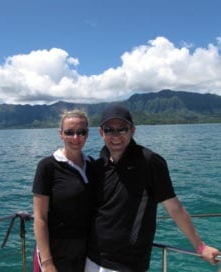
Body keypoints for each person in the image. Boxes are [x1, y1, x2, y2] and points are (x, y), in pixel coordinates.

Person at [85, 103, 220, 272]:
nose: (116, 135)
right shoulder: (99, 166)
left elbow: (174, 207)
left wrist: (200, 247)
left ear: (132, 130)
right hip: (91, 257)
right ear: (101, 133)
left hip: (126, 263)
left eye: (122, 129)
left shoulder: (149, 161)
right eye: (109, 129)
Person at [32, 109, 96, 272]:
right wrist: (47, 263)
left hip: (86, 251)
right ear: (61, 134)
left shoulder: (93, 165)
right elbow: (40, 218)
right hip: (56, 251)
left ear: (87, 134)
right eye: (70, 132)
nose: (76, 137)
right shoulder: (48, 166)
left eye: (81, 132)